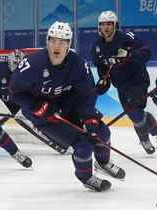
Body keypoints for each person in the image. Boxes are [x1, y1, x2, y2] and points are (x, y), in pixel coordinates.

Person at [10, 21, 125, 192]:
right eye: (54, 40)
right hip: (44, 115)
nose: (57, 46)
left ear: (69, 45)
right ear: (47, 42)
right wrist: (38, 107)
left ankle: (104, 162)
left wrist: (90, 119)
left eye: (63, 42)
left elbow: (86, 95)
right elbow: (15, 92)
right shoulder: (32, 64)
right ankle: (86, 178)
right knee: (83, 144)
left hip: (68, 105)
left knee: (102, 133)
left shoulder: (77, 63)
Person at [90, 10, 157, 155]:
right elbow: (103, 69)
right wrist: (103, 82)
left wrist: (130, 54)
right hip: (121, 86)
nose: (106, 27)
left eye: (109, 24)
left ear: (115, 25)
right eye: (103, 24)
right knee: (134, 114)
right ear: (99, 27)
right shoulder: (97, 46)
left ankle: (144, 140)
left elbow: (147, 52)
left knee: (135, 112)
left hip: (138, 81)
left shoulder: (127, 38)